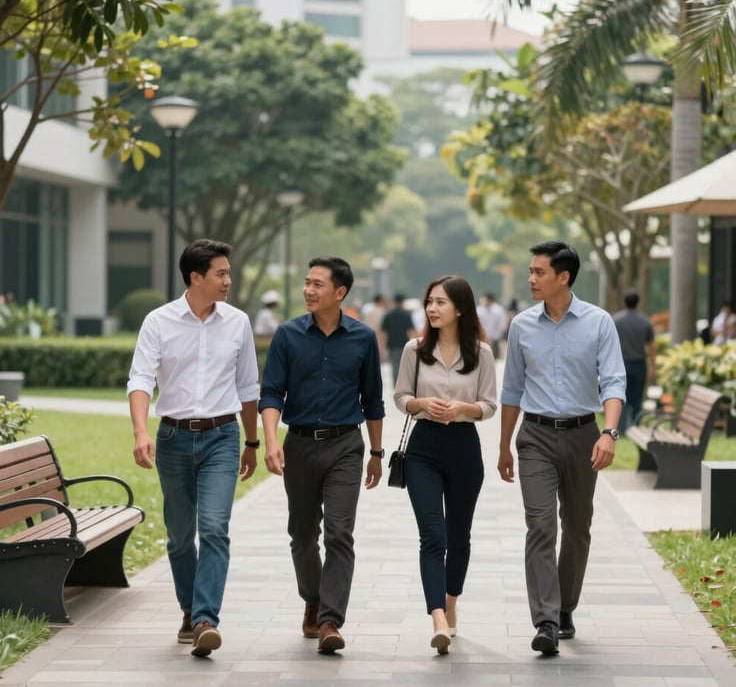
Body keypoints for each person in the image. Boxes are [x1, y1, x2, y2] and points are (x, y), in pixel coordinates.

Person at [127, 239, 261, 658]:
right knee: (180, 537)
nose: (228, 280)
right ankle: (189, 610)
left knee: (215, 528)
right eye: (220, 274)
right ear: (195, 277)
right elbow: (140, 379)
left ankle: (205, 619)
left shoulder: (238, 322)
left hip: (223, 436)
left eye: (228, 273)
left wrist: (253, 441)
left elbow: (248, 387)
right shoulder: (158, 322)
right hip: (173, 438)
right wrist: (140, 432)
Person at [497, 241, 625, 656]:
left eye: (538, 272)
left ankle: (566, 605)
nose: (531, 279)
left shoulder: (599, 322)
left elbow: (614, 381)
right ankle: (546, 621)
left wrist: (608, 433)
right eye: (530, 271)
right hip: (534, 436)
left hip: (582, 434)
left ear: (563, 277)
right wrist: (504, 447)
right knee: (540, 525)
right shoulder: (521, 325)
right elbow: (512, 388)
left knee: (577, 526)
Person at [258, 256, 385, 654]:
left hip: (346, 446)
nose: (308, 290)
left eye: (318, 284)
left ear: (340, 293)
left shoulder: (363, 338)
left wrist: (377, 452)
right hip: (298, 443)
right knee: (301, 535)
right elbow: (271, 392)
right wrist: (271, 440)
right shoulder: (287, 335)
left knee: (339, 533)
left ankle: (330, 619)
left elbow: (373, 400)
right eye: (307, 282)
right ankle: (312, 598)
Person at [393, 275, 497, 654]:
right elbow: (400, 396)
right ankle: (438, 617)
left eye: (440, 302)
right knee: (433, 536)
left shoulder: (482, 354)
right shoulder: (414, 350)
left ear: (460, 308)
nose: (432, 309)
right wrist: (421, 404)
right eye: (429, 302)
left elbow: (489, 406)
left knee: (459, 537)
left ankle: (452, 603)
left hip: (465, 449)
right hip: (423, 449)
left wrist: (462, 409)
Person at [613, 289, 656, 433]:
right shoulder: (645, 321)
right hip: (639, 365)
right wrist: (653, 366)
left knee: (621, 397)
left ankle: (621, 428)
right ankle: (636, 428)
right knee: (637, 399)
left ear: (624, 302)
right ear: (638, 302)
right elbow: (651, 346)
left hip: (621, 365)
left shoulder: (616, 321)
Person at [381, 293, 415, 382]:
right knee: (404, 367)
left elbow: (384, 333)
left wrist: (382, 347)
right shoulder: (406, 315)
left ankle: (395, 387)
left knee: (394, 367)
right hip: (404, 344)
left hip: (392, 345)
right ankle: (403, 385)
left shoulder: (388, 315)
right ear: (403, 301)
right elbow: (411, 331)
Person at [476, 292, 507, 358]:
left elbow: (502, 324)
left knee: (494, 357)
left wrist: (496, 336)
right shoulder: (479, 310)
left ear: (490, 300)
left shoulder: (498, 310)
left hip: (495, 338)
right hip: (482, 337)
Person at [362, 293, 389, 360]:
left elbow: (364, 325)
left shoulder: (369, 313)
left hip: (370, 338)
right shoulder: (385, 313)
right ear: (381, 301)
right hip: (382, 339)